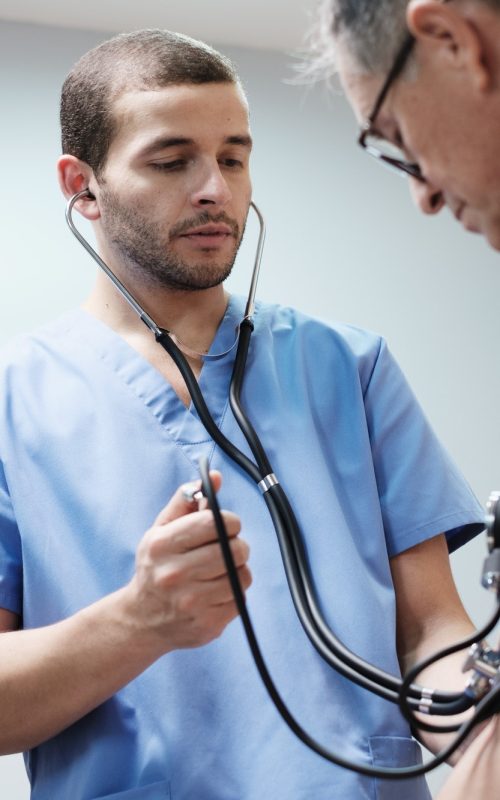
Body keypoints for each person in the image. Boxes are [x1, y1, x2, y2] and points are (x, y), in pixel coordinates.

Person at [0, 28, 485, 800]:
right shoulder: (14, 402)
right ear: (81, 186)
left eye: (233, 157)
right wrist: (139, 619)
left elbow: (432, 629)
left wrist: (483, 732)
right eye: (171, 161)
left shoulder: (349, 367)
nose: (215, 191)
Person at [309, 1, 500, 796]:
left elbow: (434, 629)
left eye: (393, 139)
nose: (420, 193)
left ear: (454, 40)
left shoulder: (351, 364)